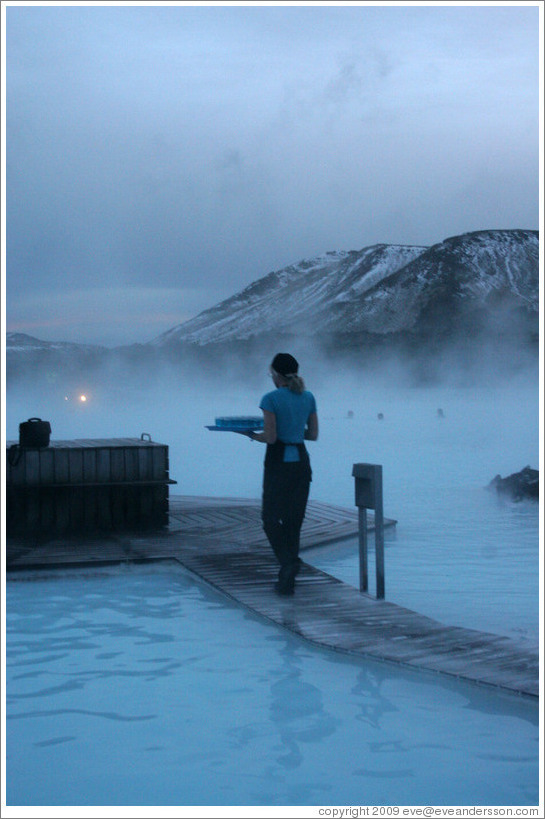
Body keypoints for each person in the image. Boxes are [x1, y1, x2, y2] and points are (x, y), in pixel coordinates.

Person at [244, 353, 319, 595]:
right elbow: (313, 434)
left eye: (271, 374)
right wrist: (295, 428)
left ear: (276, 374)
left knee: (269, 518)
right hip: (300, 461)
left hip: (278, 462)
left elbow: (272, 437)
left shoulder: (270, 399)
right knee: (293, 521)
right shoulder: (308, 397)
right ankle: (287, 581)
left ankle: (288, 563)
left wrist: (252, 435)